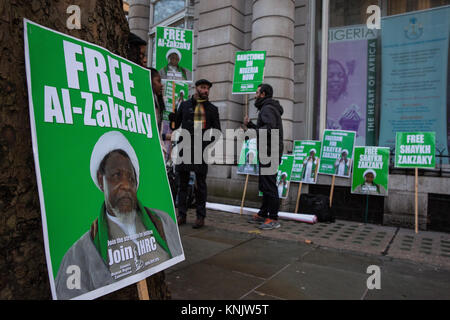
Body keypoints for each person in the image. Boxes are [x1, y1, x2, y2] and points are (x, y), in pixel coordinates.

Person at [55, 131, 182, 299]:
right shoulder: (78, 254)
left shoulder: (163, 222)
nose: (125, 185)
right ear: (101, 180)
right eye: (117, 175)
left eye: (131, 178)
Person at [172, 79, 221, 228]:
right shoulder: (185, 105)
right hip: (184, 147)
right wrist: (173, 116)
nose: (206, 91)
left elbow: (217, 131)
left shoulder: (212, 109)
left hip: (201, 150)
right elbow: (176, 123)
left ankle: (200, 216)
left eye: (208, 88)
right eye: (203, 87)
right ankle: (181, 214)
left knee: (201, 185)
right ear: (196, 88)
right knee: (182, 184)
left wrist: (207, 144)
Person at [244, 83, 284, 230]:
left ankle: (273, 217)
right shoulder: (269, 108)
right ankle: (263, 213)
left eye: (257, 92)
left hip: (270, 151)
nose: (255, 95)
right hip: (269, 150)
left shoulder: (267, 108)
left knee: (269, 184)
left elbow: (268, 129)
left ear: (263, 94)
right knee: (265, 184)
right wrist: (251, 125)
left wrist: (252, 129)